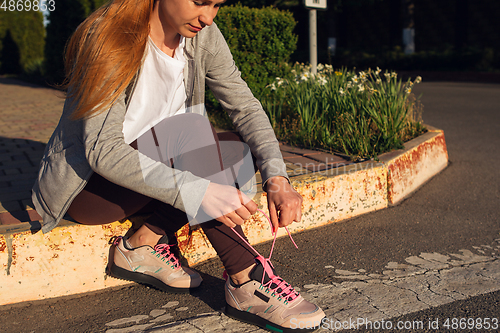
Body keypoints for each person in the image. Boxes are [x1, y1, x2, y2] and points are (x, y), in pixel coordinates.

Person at [32, 0, 325, 331]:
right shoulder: (110, 36)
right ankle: (245, 279)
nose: (208, 17)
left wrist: (278, 178)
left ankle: (144, 241)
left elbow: (244, 106)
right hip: (90, 188)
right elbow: (102, 150)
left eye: (217, 5)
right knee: (193, 130)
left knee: (236, 149)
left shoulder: (203, 36)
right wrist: (196, 190)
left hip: (149, 174)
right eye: (200, 2)